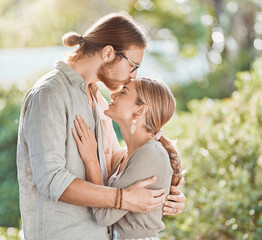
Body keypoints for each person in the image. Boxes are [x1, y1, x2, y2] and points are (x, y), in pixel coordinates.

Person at [16, 13, 186, 240]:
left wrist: (164, 194)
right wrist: (123, 198)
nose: (132, 77)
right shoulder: (50, 94)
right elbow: (52, 179)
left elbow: (115, 161)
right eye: (133, 66)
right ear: (108, 53)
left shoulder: (98, 100)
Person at [73, 77, 183, 240]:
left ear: (140, 110)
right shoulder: (127, 154)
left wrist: (90, 159)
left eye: (123, 92)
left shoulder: (150, 153)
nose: (113, 95)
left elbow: (104, 215)